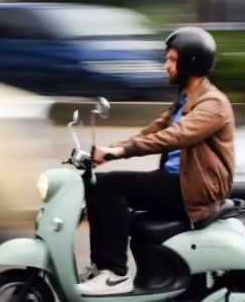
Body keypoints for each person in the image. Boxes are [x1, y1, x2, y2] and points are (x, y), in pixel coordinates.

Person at [76, 27, 236, 296]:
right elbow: (151, 132)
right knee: (98, 186)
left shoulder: (213, 104)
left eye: (172, 60)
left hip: (194, 188)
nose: (166, 66)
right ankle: (101, 267)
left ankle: (114, 273)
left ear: (190, 62)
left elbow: (175, 136)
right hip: (178, 182)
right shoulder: (185, 101)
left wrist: (120, 153)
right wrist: (105, 151)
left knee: (109, 186)